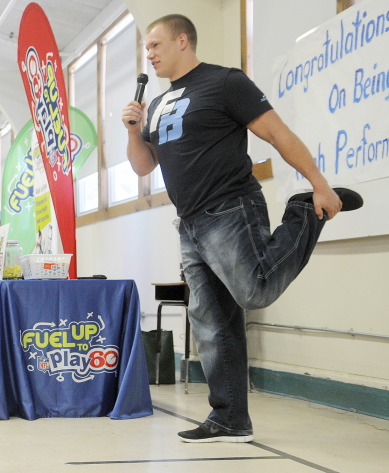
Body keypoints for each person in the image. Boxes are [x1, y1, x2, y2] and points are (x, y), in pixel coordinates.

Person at [121, 14, 363, 444]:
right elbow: (143, 165)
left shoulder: (225, 82)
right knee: (212, 322)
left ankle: (304, 212)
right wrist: (134, 131)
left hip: (230, 208)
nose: (150, 54)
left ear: (183, 41)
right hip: (190, 222)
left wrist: (319, 184)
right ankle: (230, 419)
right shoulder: (156, 105)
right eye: (147, 49)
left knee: (254, 291)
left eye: (156, 45)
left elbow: (277, 133)